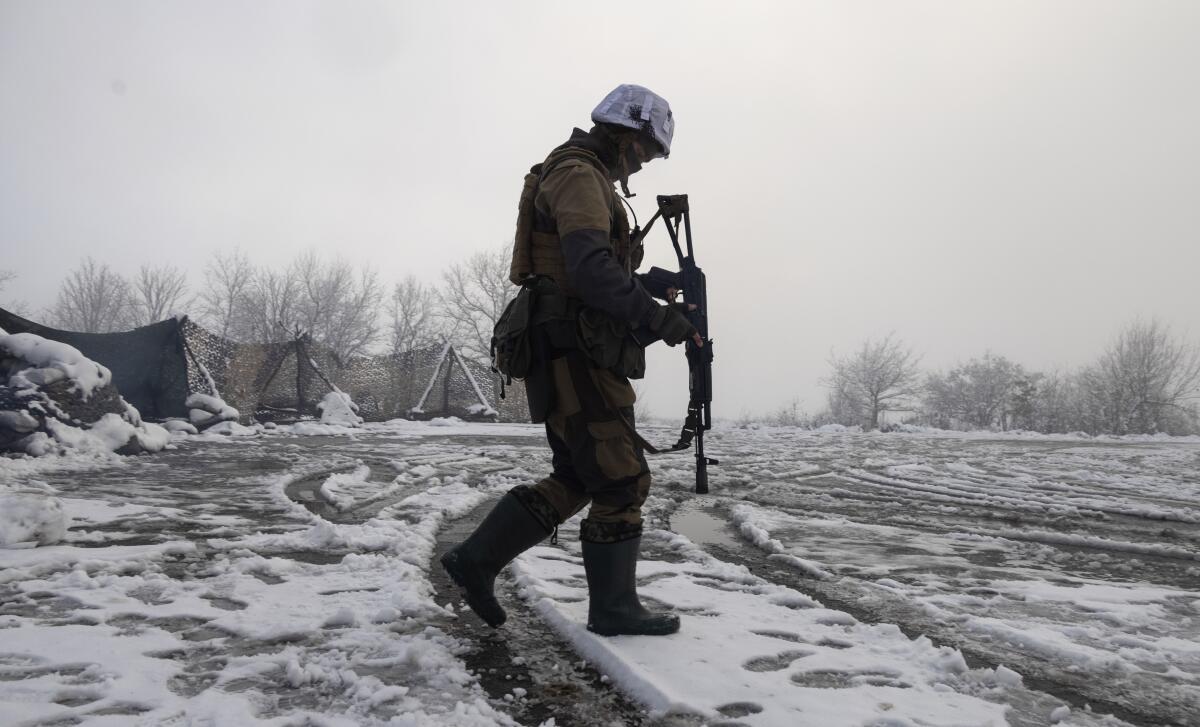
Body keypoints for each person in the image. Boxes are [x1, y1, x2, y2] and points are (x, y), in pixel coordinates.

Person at [441, 84, 698, 637]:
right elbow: (588, 271)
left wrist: (651, 283)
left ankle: (477, 560)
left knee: (580, 474)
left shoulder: (582, 174)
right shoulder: (581, 175)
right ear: (626, 134)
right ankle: (612, 610)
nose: (647, 163)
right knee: (621, 481)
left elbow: (591, 265)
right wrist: (655, 318)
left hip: (569, 344)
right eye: (648, 151)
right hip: (575, 349)